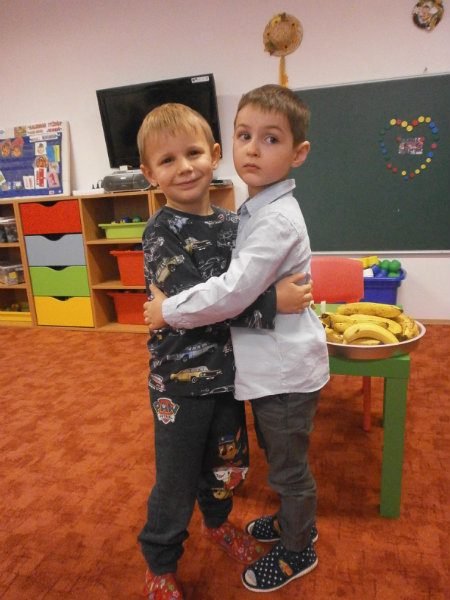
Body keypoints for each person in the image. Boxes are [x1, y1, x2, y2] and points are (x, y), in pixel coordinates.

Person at [144, 84, 330, 593]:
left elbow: (228, 295)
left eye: (270, 139)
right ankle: (160, 562)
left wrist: (167, 311)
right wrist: (270, 301)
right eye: (245, 135)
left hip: (240, 374)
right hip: (183, 382)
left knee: (231, 465)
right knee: (177, 475)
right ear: (149, 173)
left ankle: (284, 538)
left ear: (212, 156)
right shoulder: (165, 230)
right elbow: (216, 299)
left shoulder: (237, 221)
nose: (184, 167)